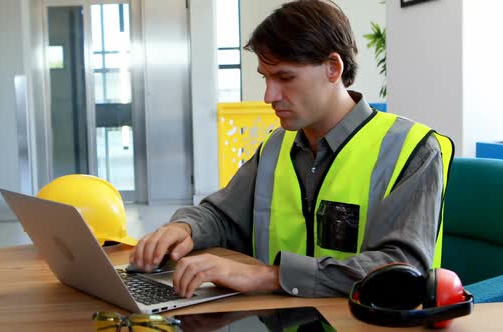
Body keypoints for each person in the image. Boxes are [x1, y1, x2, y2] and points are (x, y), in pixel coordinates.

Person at [129, 0, 453, 299]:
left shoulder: (412, 150)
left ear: (333, 69)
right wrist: (184, 227)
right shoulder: (276, 145)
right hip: (277, 320)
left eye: (285, 77)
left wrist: (269, 276)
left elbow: (399, 268)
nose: (269, 95)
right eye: (266, 77)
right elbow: (224, 216)